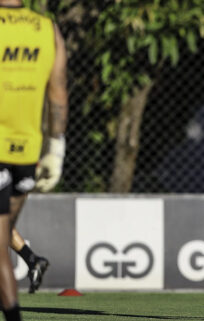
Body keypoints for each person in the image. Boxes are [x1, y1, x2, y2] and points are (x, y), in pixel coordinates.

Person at [0, 0, 69, 320]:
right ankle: (31, 259)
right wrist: (55, 149)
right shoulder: (46, 28)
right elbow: (57, 93)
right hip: (27, 153)